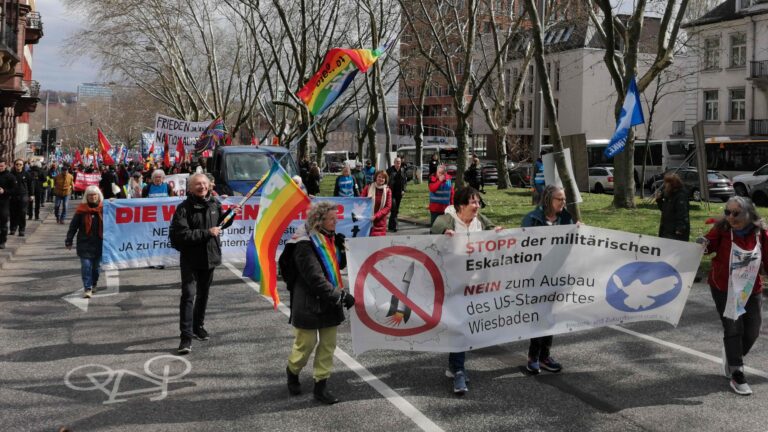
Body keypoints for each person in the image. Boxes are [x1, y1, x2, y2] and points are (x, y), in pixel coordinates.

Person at [280, 201, 355, 404]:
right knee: (306, 344)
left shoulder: (328, 237)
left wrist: (342, 250)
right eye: (332, 218)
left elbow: (336, 265)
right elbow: (315, 278)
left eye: (336, 217)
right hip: (308, 302)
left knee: (328, 345)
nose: (336, 221)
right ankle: (292, 370)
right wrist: (340, 296)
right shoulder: (303, 244)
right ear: (319, 220)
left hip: (328, 300)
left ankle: (320, 386)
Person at [431, 186, 500, 395]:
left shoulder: (480, 221)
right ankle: (459, 369)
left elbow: (495, 230)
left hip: (477, 284)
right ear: (461, 205)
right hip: (454, 284)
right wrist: (445, 234)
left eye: (478, 202)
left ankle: (454, 365)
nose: (477, 206)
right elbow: (435, 228)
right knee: (460, 324)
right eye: (473, 202)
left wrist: (498, 231)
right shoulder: (449, 219)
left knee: (466, 325)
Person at [701, 196, 768, 395]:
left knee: (753, 331)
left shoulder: (761, 233)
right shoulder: (721, 230)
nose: (731, 217)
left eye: (736, 213)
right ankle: (737, 372)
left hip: (750, 288)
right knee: (733, 328)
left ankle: (732, 354)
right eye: (727, 212)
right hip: (724, 287)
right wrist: (703, 244)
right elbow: (708, 246)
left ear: (749, 213)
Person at [169, 173, 240, 355]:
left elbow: (220, 225)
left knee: (203, 295)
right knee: (188, 295)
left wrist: (230, 215)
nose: (201, 186)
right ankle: (185, 337)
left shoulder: (215, 203)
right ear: (190, 188)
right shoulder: (183, 209)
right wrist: (207, 232)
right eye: (197, 184)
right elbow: (181, 235)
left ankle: (198, 326)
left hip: (210, 257)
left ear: (209, 185)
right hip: (191, 259)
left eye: (204, 183)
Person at [521, 184, 574, 375]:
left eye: (564, 199)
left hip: (557, 276)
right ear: (548, 200)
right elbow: (522, 248)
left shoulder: (566, 218)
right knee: (539, 317)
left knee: (550, 316)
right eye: (559, 199)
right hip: (537, 278)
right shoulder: (532, 219)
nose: (563, 202)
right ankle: (533, 357)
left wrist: (580, 232)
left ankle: (545, 356)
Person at [65, 185, 104, 299]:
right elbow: (73, 227)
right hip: (84, 243)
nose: (92, 197)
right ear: (86, 197)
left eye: (94, 195)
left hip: (99, 243)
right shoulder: (81, 211)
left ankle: (94, 283)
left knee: (96, 268)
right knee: (86, 266)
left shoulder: (104, 209)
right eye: (90, 195)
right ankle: (87, 288)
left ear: (98, 196)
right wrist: (69, 240)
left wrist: (113, 202)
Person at [656, 173, 690, 241]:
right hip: (666, 228)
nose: (665, 185)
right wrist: (659, 200)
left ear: (672, 184)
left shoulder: (680, 196)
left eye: (666, 183)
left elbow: (682, 213)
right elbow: (665, 210)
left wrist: (680, 228)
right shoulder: (668, 195)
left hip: (675, 230)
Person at [361, 170, 392, 236]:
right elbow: (361, 201)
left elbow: (388, 207)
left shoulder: (388, 191)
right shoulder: (368, 188)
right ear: (376, 177)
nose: (381, 179)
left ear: (385, 180)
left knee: (380, 245)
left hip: (380, 223)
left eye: (383, 178)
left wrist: (375, 216)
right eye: (379, 177)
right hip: (367, 221)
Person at [9, 159, 32, 237]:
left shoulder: (27, 174)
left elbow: (30, 185)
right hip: (13, 196)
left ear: (23, 165)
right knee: (13, 213)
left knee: (22, 212)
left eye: (20, 164)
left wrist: (31, 195)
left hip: (23, 195)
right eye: (17, 164)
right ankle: (13, 228)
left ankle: (22, 229)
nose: (18, 166)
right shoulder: (11, 174)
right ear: (14, 165)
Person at [387, 157, 408, 232]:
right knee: (394, 209)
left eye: (399, 162)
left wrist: (403, 190)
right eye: (397, 162)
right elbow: (386, 180)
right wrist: (386, 188)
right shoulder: (390, 170)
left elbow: (405, 181)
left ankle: (390, 226)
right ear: (394, 162)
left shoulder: (403, 170)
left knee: (396, 210)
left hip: (399, 193)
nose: (398, 163)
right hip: (391, 192)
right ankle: (395, 226)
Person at [0, 158, 17, 249]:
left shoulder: (10, 176)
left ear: (5, 165)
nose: (0, 168)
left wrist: (4, 191)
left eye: (2, 166)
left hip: (4, 202)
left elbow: (14, 190)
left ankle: (2, 241)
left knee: (3, 222)